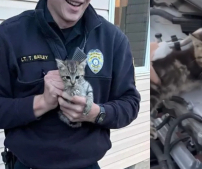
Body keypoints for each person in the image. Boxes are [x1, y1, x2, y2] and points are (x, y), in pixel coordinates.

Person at [0, 0, 140, 168]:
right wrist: (41, 103)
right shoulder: (9, 36)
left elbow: (130, 103)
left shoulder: (113, 40)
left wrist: (96, 113)